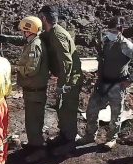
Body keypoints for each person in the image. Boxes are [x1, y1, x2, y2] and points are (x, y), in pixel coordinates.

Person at [78, 17, 133, 149]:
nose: (111, 33)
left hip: (117, 84)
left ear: (120, 30)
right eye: (109, 30)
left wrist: (130, 79)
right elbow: (101, 58)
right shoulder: (105, 41)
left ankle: (111, 138)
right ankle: (89, 136)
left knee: (115, 114)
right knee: (92, 109)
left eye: (114, 31)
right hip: (103, 83)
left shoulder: (126, 45)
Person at [0, 17, 50, 163]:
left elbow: (31, 69)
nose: (22, 33)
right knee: (32, 120)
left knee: (34, 121)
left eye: (24, 30)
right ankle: (34, 144)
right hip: (32, 90)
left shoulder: (35, 46)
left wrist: (15, 68)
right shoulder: (32, 42)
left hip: (35, 91)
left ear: (29, 31)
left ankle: (38, 150)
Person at [38, 5, 83, 156]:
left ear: (44, 18)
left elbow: (67, 62)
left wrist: (62, 85)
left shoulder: (57, 35)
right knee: (62, 109)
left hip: (70, 80)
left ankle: (70, 142)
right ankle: (64, 136)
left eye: (40, 17)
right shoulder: (50, 33)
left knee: (68, 109)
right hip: (66, 77)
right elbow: (35, 38)